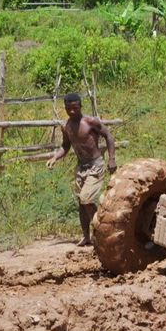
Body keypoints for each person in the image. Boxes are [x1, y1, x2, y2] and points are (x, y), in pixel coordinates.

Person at [46, 93, 117, 246]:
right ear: (65, 107)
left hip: (95, 165)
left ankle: (102, 229)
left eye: (75, 108)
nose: (72, 112)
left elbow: (109, 136)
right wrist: (55, 158)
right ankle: (86, 237)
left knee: (86, 198)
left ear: (80, 107)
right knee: (81, 202)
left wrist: (111, 159)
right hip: (81, 167)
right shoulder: (67, 126)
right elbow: (65, 146)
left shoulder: (90, 122)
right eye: (69, 109)